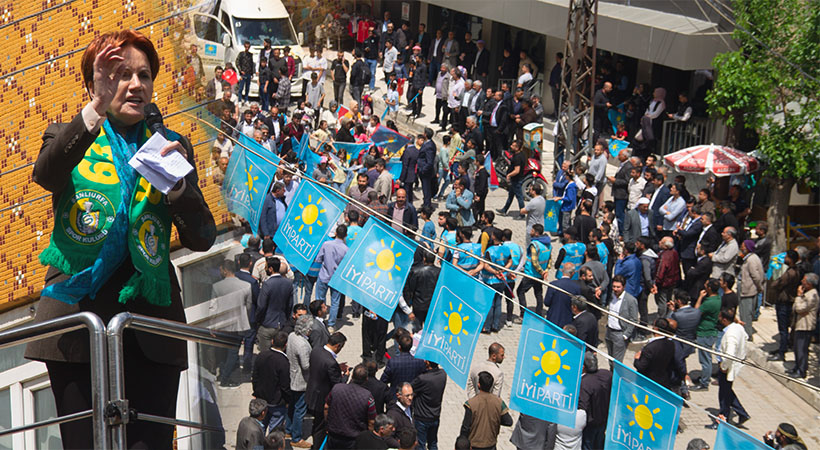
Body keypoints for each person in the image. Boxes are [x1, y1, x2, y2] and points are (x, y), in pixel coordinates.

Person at [27, 30, 217, 449]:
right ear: (96, 83)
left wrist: (178, 190)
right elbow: (46, 174)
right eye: (119, 74)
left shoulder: (170, 146)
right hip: (77, 324)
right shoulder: (69, 134)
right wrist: (93, 109)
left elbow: (202, 237)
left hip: (152, 326)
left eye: (143, 75)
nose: (135, 85)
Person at [705, 308, 750, 429]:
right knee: (727, 390)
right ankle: (742, 413)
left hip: (727, 367)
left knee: (724, 396)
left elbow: (729, 354)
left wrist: (724, 366)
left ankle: (721, 420)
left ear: (724, 320)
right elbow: (745, 338)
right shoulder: (738, 328)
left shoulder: (730, 334)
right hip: (732, 365)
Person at [306, 332, 350, 449]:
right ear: (338, 346)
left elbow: (320, 368)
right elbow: (338, 385)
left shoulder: (316, 350)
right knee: (320, 427)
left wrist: (337, 367)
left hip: (311, 393)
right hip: (321, 399)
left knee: (317, 423)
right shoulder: (330, 362)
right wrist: (345, 375)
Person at [324, 364, 377, 449]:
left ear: (352, 376)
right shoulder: (368, 397)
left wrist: (327, 424)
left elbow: (326, 407)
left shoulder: (337, 388)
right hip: (353, 439)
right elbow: (371, 421)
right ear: (366, 379)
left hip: (334, 434)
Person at [460, 371, 513, 449]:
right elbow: (508, 422)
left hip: (474, 445)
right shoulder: (499, 402)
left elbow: (465, 428)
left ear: (478, 385)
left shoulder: (471, 404)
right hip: (491, 444)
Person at [253, 331, 291, 434]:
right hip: (277, 402)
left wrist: (256, 393)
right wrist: (288, 400)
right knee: (274, 433)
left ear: (272, 341)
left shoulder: (261, 355)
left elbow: (255, 377)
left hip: (261, 399)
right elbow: (285, 385)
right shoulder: (284, 361)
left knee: (260, 429)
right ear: (286, 345)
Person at [768, 250, 802, 362]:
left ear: (791, 259)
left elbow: (777, 283)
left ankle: (782, 352)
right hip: (786, 302)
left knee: (783, 329)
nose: (785, 259)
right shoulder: (794, 271)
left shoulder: (791, 273)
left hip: (784, 302)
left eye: (787, 257)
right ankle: (782, 348)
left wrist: (774, 283)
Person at [286, 314, 314, 448]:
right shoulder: (302, 344)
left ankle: (288, 430)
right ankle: (296, 438)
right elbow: (306, 365)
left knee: (292, 405)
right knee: (300, 409)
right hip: (301, 381)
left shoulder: (292, 335)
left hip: (293, 375)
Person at [314, 225, 348, 331]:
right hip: (336, 278)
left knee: (320, 299)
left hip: (324, 275)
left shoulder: (326, 244)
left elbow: (318, 259)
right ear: (345, 235)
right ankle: (331, 324)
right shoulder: (346, 249)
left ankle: (320, 319)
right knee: (335, 302)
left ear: (336, 233)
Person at [256, 257, 294, 349]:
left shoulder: (267, 284)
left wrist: (257, 320)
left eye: (266, 267)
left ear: (271, 269)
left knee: (265, 353)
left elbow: (261, 306)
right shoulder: (288, 283)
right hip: (281, 323)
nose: (265, 269)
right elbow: (290, 305)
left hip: (267, 324)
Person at [691, 278, 721, 391]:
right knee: (706, 358)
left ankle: (704, 383)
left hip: (705, 333)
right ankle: (704, 379)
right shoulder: (717, 298)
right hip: (709, 332)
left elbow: (696, 311)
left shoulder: (709, 302)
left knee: (705, 360)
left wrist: (700, 297)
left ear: (709, 288)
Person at [579, 351, 612, 449]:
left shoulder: (584, 383)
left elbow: (583, 406)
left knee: (588, 445)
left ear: (584, 367)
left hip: (591, 423)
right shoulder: (607, 374)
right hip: (604, 418)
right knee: (600, 443)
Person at [413, 360, 447, 450]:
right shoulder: (443, 374)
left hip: (422, 417)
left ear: (428, 362)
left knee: (420, 444)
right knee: (433, 443)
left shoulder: (423, 378)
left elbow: (411, 388)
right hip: (435, 415)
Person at [633, 318, 677, 390]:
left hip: (647, 382)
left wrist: (636, 358)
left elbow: (640, 366)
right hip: (662, 381)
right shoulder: (670, 343)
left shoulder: (650, 348)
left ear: (656, 329)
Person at [789, 273, 818, 379]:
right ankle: (797, 366)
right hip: (799, 324)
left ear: (809, 283)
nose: (802, 282)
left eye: (804, 280)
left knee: (802, 349)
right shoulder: (807, 294)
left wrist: (798, 296)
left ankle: (801, 370)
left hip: (805, 326)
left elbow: (800, 308)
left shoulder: (812, 296)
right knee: (797, 348)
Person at [518, 224, 552, 315]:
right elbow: (550, 259)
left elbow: (534, 261)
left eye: (532, 231)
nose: (530, 232)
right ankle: (539, 313)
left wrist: (541, 271)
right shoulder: (548, 244)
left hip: (531, 274)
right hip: (540, 275)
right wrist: (546, 271)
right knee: (538, 293)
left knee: (520, 291)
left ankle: (523, 313)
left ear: (536, 233)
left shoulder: (535, 245)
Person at [606, 275, 639, 365]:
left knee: (617, 363)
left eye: (618, 287)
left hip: (620, 334)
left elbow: (634, 319)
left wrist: (625, 335)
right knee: (610, 360)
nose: (615, 289)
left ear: (624, 287)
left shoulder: (631, 300)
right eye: (614, 287)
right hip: (609, 332)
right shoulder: (611, 296)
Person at [737, 240, 765, 338]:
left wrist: (759, 288)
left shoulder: (751, 260)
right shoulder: (751, 258)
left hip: (748, 291)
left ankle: (747, 335)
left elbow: (756, 276)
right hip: (749, 290)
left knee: (746, 315)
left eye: (743, 246)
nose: (741, 248)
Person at [405, 250, 441, 325]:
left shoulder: (416, 271)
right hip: (433, 305)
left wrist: (408, 305)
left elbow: (410, 289)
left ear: (424, 259)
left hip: (418, 305)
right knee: (430, 329)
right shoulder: (439, 272)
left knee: (417, 329)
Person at [545, 263, 583, 328]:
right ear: (573, 273)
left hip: (552, 319)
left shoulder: (553, 284)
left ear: (562, 271)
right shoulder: (576, 288)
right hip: (567, 321)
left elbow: (547, 302)